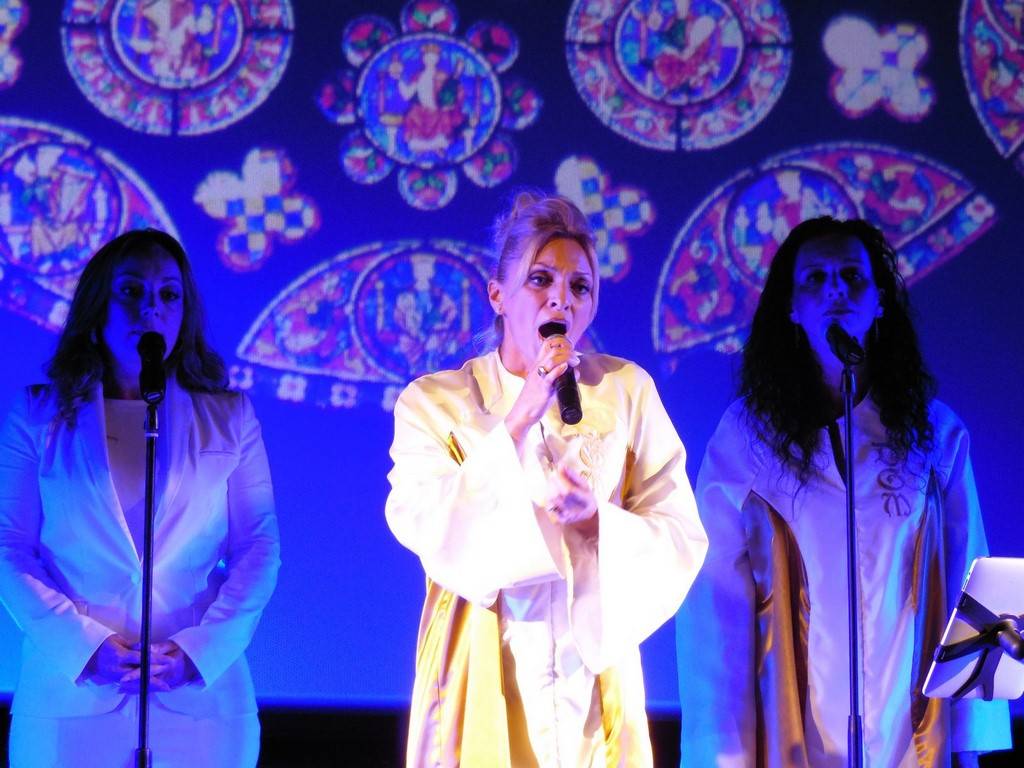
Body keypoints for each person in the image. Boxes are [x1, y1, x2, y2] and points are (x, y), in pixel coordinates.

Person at [385, 192, 708, 766]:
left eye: (580, 287)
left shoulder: (626, 392)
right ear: (498, 295)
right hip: (484, 665)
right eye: (541, 279)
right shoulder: (434, 404)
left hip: (593, 673)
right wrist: (520, 415)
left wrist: (598, 522)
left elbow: (679, 533)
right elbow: (426, 524)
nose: (561, 298)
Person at [675, 216, 1011, 767]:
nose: (835, 289)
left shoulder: (934, 436)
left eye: (852, 276)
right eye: (815, 278)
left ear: (879, 302)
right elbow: (713, 605)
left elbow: (973, 581)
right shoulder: (748, 439)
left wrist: (973, 742)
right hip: (791, 735)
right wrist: (720, 754)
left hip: (910, 735)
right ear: (792, 308)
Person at [0, 229, 281, 768]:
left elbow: (259, 547)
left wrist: (199, 651)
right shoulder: (37, 415)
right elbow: (10, 548)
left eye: (168, 294)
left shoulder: (229, 417)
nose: (151, 309)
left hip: (200, 703)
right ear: (98, 304)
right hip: (70, 699)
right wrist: (84, 649)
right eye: (132, 291)